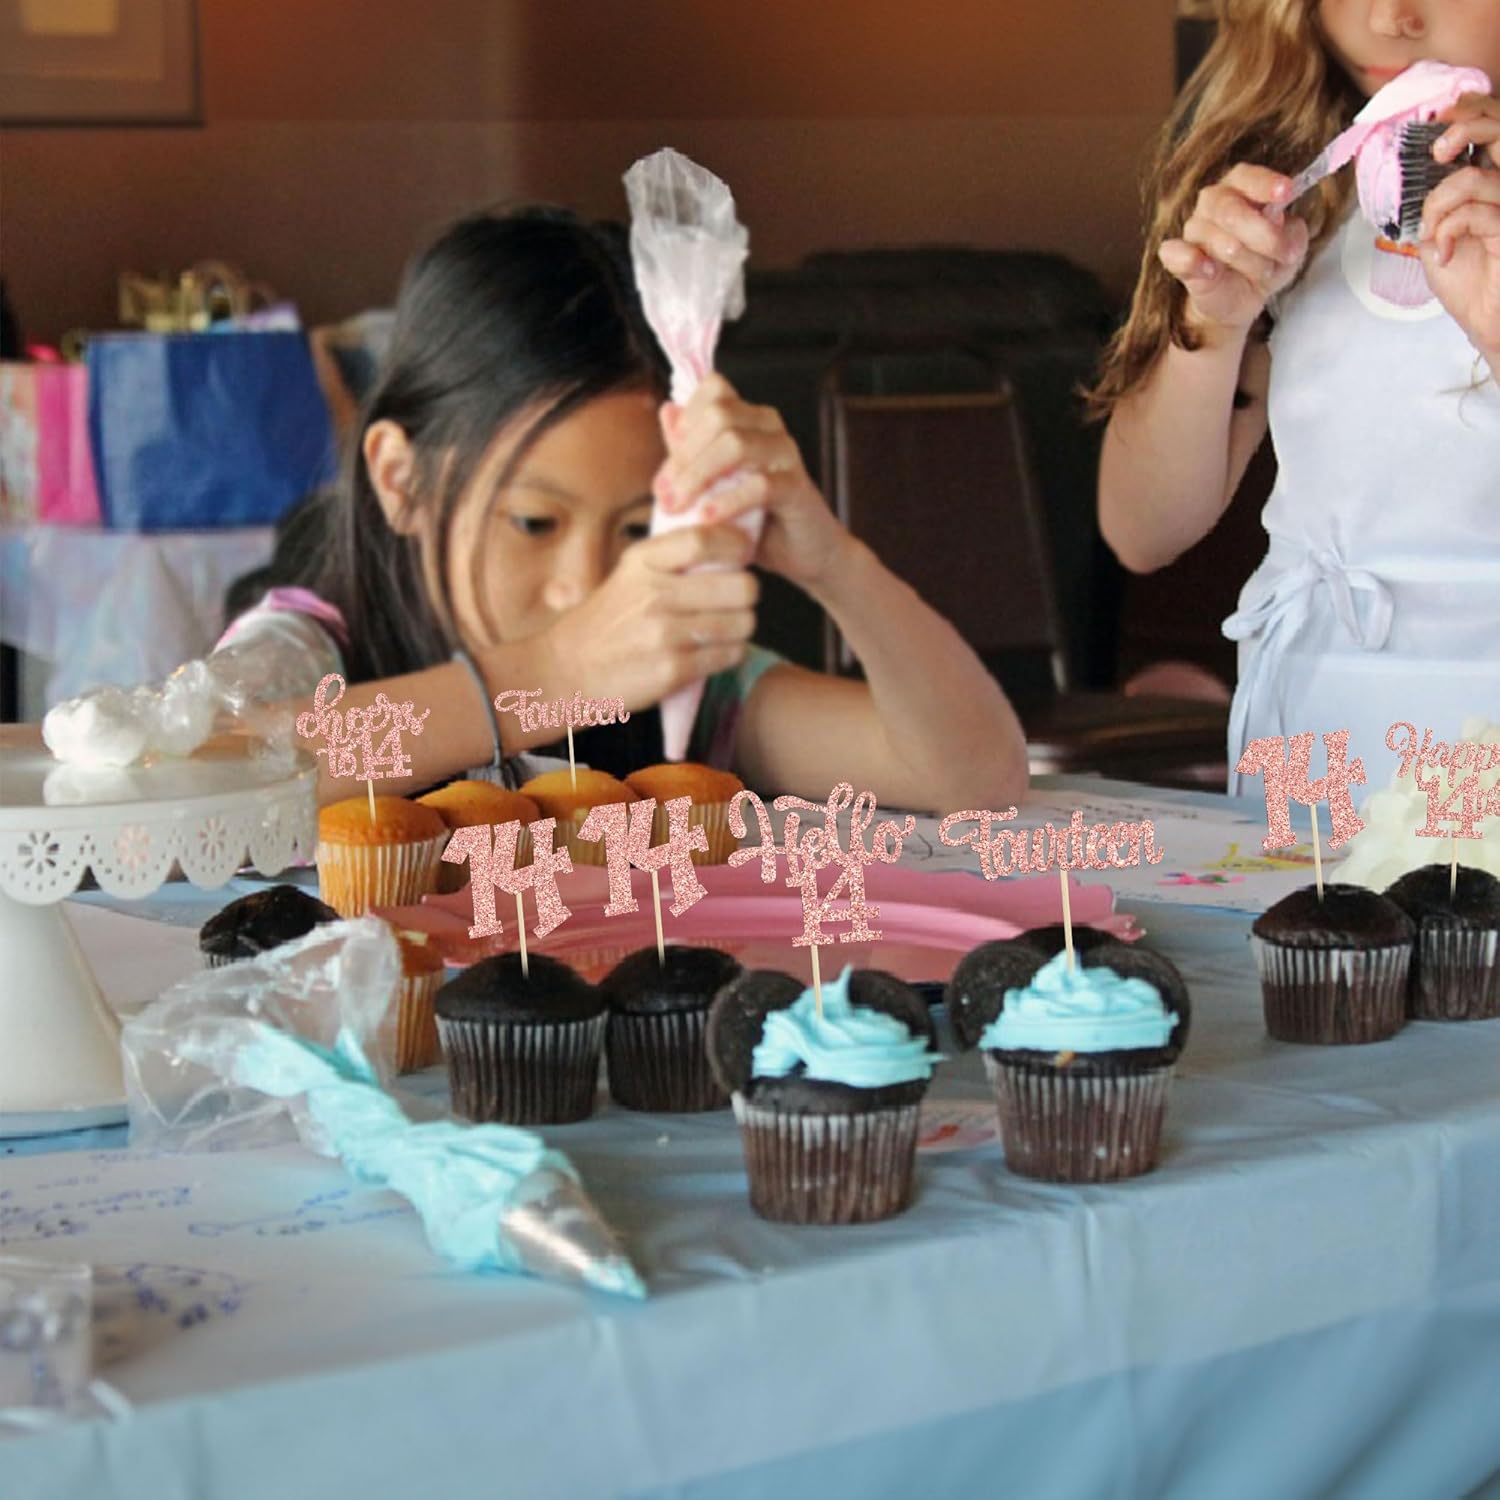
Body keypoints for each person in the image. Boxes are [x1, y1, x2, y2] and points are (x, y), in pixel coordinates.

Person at [226, 207, 1027, 812]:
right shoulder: (313, 647)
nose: (585, 588)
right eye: (536, 522)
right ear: (401, 480)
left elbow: (973, 776)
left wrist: (837, 565)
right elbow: (207, 775)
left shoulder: (681, 690)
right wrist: (552, 676)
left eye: (639, 528)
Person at [1093, 0, 1500, 796]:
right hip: (1313, 736)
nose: (1390, 16)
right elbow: (1143, 531)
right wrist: (1214, 323)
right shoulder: (1293, 197)